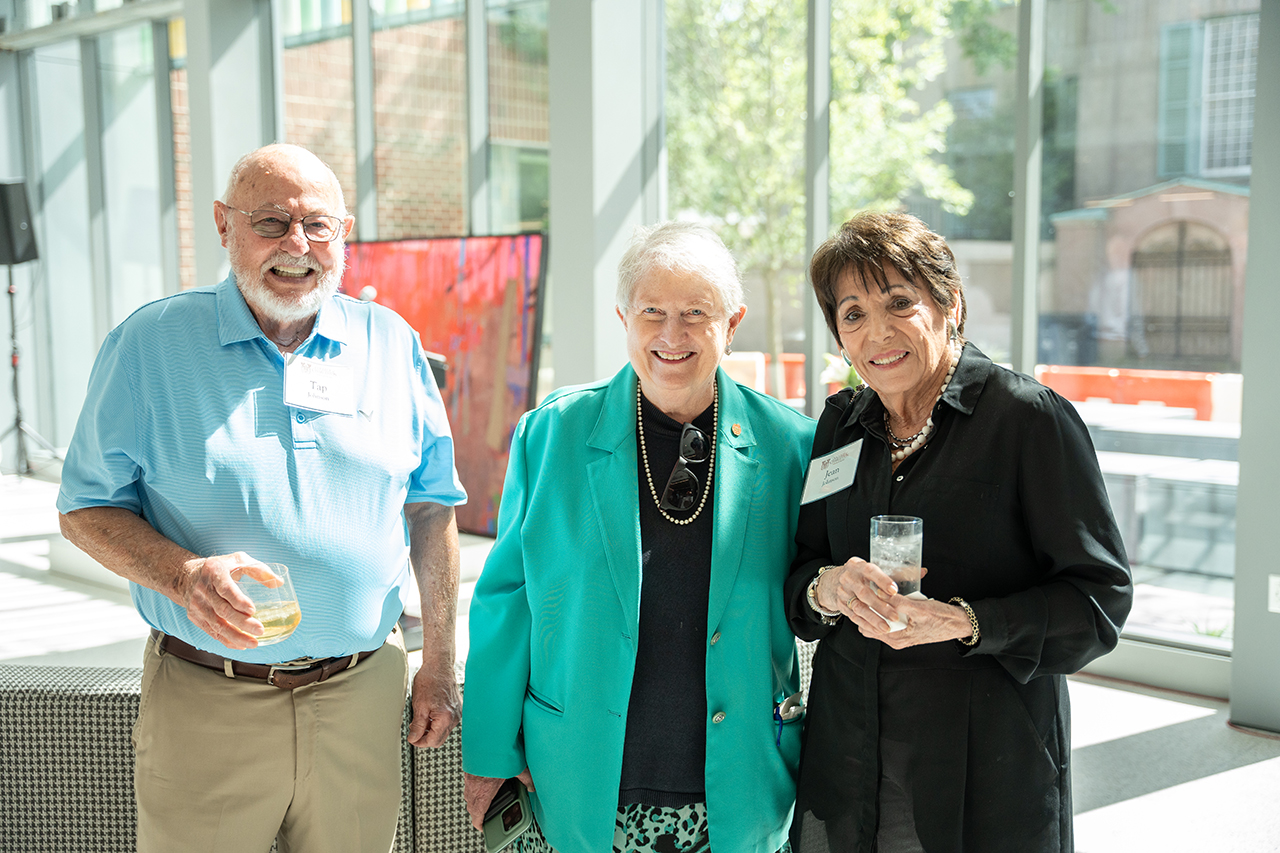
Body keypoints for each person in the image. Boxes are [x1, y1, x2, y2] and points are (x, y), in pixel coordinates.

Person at [56, 143, 467, 853]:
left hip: (361, 696)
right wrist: (183, 576)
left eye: (317, 225)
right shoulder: (149, 343)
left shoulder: (390, 343)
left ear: (344, 231)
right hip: (208, 699)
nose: (296, 245)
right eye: (271, 222)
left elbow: (431, 506)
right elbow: (83, 508)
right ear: (223, 225)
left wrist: (439, 661)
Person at [461, 221, 816, 853]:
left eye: (695, 314)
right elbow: (505, 597)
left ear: (731, 325)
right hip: (579, 778)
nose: (671, 335)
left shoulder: (791, 445)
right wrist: (489, 749)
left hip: (739, 784)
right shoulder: (553, 434)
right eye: (652, 312)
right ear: (624, 318)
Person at [785, 211, 1132, 853]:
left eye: (899, 301)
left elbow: (1098, 603)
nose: (878, 332)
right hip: (852, 750)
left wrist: (966, 621)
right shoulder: (839, 425)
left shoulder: (1027, 421)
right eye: (853, 313)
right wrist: (828, 588)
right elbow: (800, 574)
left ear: (950, 304)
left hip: (983, 762)